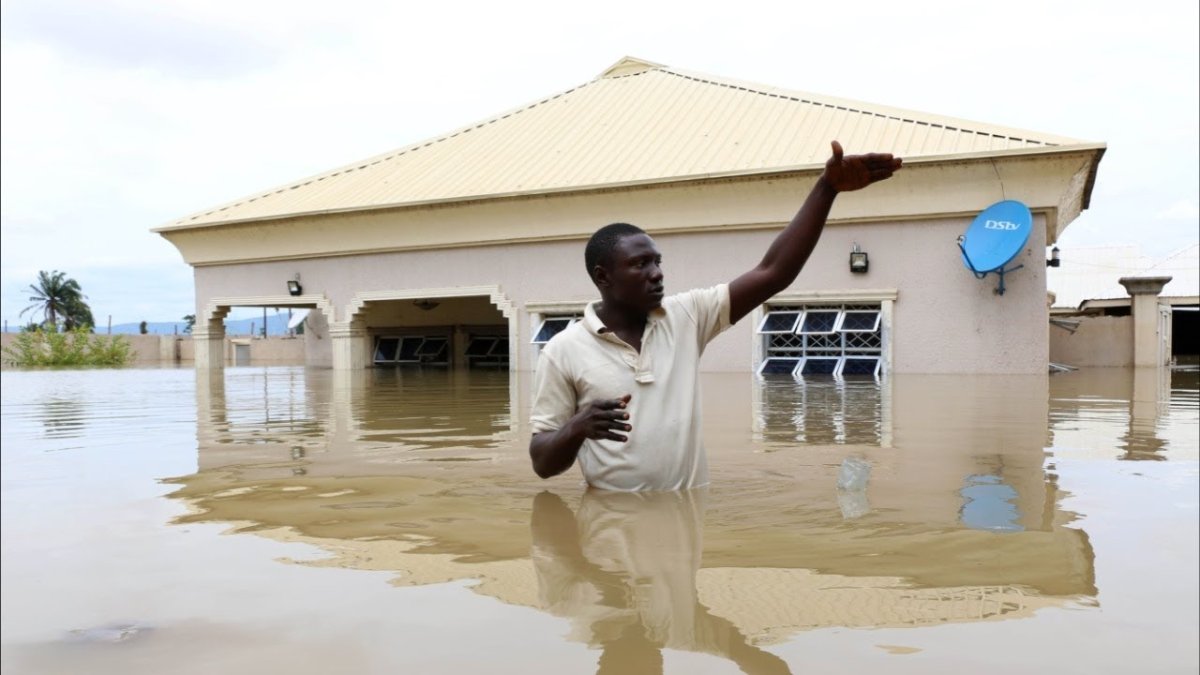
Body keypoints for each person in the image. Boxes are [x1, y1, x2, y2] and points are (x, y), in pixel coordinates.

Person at [529, 141, 902, 491]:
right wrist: (577, 427)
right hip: (609, 531)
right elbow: (542, 463)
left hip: (682, 530)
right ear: (603, 276)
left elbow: (773, 273)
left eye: (658, 262)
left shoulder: (687, 317)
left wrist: (827, 189)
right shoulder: (563, 351)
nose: (657, 273)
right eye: (640, 264)